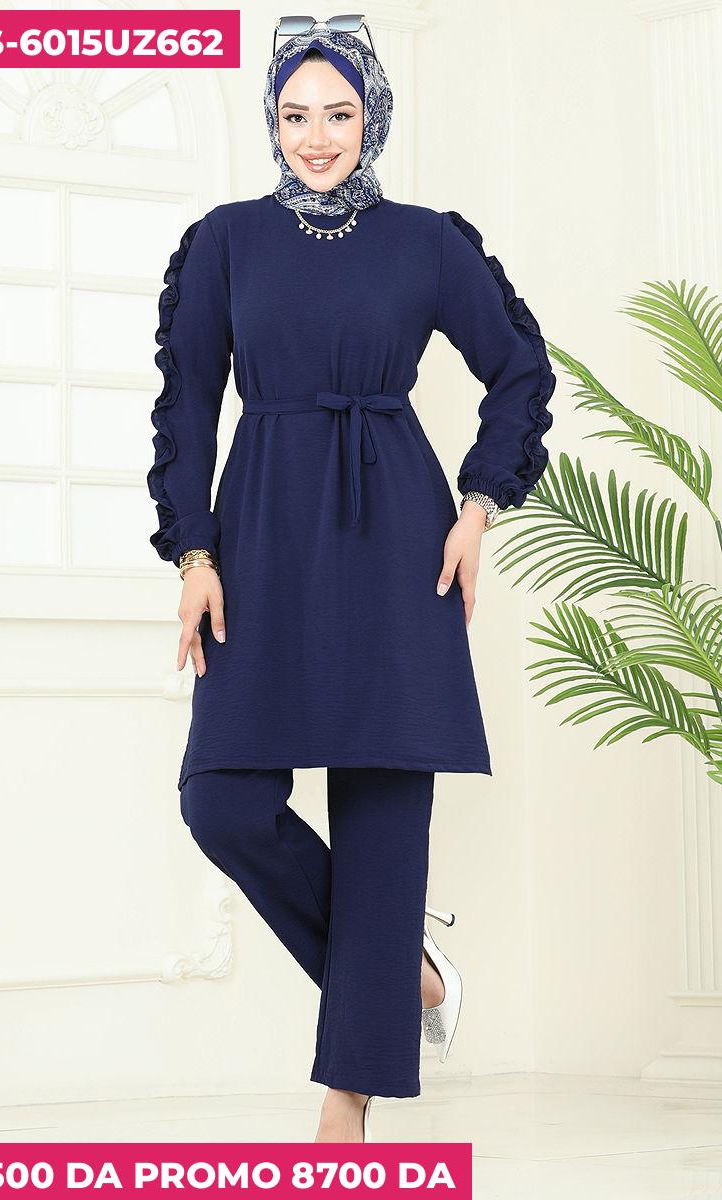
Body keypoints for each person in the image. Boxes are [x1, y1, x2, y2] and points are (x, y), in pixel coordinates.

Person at [146, 20, 556, 1142]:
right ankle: (403, 974)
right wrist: (193, 553)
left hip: (397, 538)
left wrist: (478, 503)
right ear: (270, 121)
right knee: (221, 801)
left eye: (337, 113)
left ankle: (348, 1101)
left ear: (371, 114)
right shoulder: (225, 241)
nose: (316, 137)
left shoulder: (427, 242)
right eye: (294, 115)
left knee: (381, 817)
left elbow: (519, 370)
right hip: (260, 536)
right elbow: (187, 406)